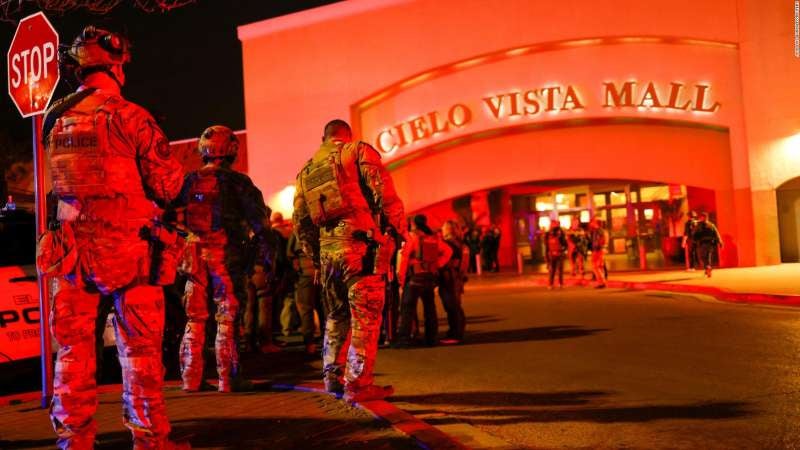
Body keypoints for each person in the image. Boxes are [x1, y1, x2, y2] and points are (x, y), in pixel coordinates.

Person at [39, 26, 186, 449]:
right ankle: (149, 439)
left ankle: (73, 441)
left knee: (72, 353)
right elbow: (166, 185)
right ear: (117, 65)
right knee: (139, 350)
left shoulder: (55, 121)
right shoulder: (130, 116)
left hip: (70, 250)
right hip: (128, 250)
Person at [293, 119, 406, 403]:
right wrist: (395, 234)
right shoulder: (357, 151)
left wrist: (316, 258)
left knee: (335, 316)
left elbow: (300, 222)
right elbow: (386, 195)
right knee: (365, 318)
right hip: (359, 247)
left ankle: (332, 378)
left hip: (327, 253)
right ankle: (358, 384)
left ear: (324, 137)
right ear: (347, 135)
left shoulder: (306, 170)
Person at [176, 125, 269, 393]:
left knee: (194, 317)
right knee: (227, 317)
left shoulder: (188, 181)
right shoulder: (239, 183)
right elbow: (260, 225)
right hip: (226, 257)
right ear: (231, 150)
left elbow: (171, 217)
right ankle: (229, 379)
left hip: (193, 258)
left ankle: (190, 379)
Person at [396, 214, 452, 347]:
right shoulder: (433, 237)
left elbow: (404, 258)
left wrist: (401, 278)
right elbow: (448, 251)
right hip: (429, 277)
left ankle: (404, 339)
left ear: (414, 223)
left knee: (407, 309)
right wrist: (437, 264)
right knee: (430, 308)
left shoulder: (411, 237)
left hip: (414, 278)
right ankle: (431, 338)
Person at [242, 218, 284, 354]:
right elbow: (270, 256)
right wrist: (270, 272)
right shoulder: (268, 236)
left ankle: (249, 342)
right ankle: (265, 343)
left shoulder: (249, 234)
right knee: (264, 308)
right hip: (261, 272)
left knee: (249, 308)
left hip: (248, 273)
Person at [287, 230, 325, 355]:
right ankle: (328, 341)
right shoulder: (322, 227)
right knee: (325, 307)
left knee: (306, 309)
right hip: (323, 271)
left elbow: (290, 253)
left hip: (306, 273)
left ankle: (310, 343)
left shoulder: (297, 231)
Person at [438, 220, 469, 344]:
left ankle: (455, 334)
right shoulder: (462, 244)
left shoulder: (448, 244)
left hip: (449, 278)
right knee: (455, 305)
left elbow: (447, 262)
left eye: (444, 228)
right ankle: (457, 331)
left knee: (451, 306)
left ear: (448, 230)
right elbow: (464, 264)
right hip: (457, 277)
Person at [692, 212, 723, 278]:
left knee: (702, 257)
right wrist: (720, 242)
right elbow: (716, 233)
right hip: (710, 243)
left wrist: (694, 240)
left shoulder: (699, 225)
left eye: (701, 217)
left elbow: (694, 234)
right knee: (708, 256)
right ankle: (707, 269)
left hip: (702, 243)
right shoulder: (711, 225)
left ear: (703, 217)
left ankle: (707, 267)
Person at [544, 220, 568, 289]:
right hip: (551, 254)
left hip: (559, 253)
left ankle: (560, 283)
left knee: (560, 270)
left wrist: (562, 250)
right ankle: (550, 284)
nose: (553, 225)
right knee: (552, 270)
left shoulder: (561, 233)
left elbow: (565, 244)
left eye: (555, 224)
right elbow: (547, 246)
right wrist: (547, 257)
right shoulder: (547, 234)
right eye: (552, 224)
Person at [588, 217, 609, 288]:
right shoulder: (599, 231)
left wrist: (597, 248)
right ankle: (602, 282)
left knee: (596, 266)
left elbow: (599, 241)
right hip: (599, 250)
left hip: (598, 250)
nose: (591, 223)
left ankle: (601, 282)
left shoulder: (598, 231)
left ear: (596, 223)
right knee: (599, 266)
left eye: (593, 222)